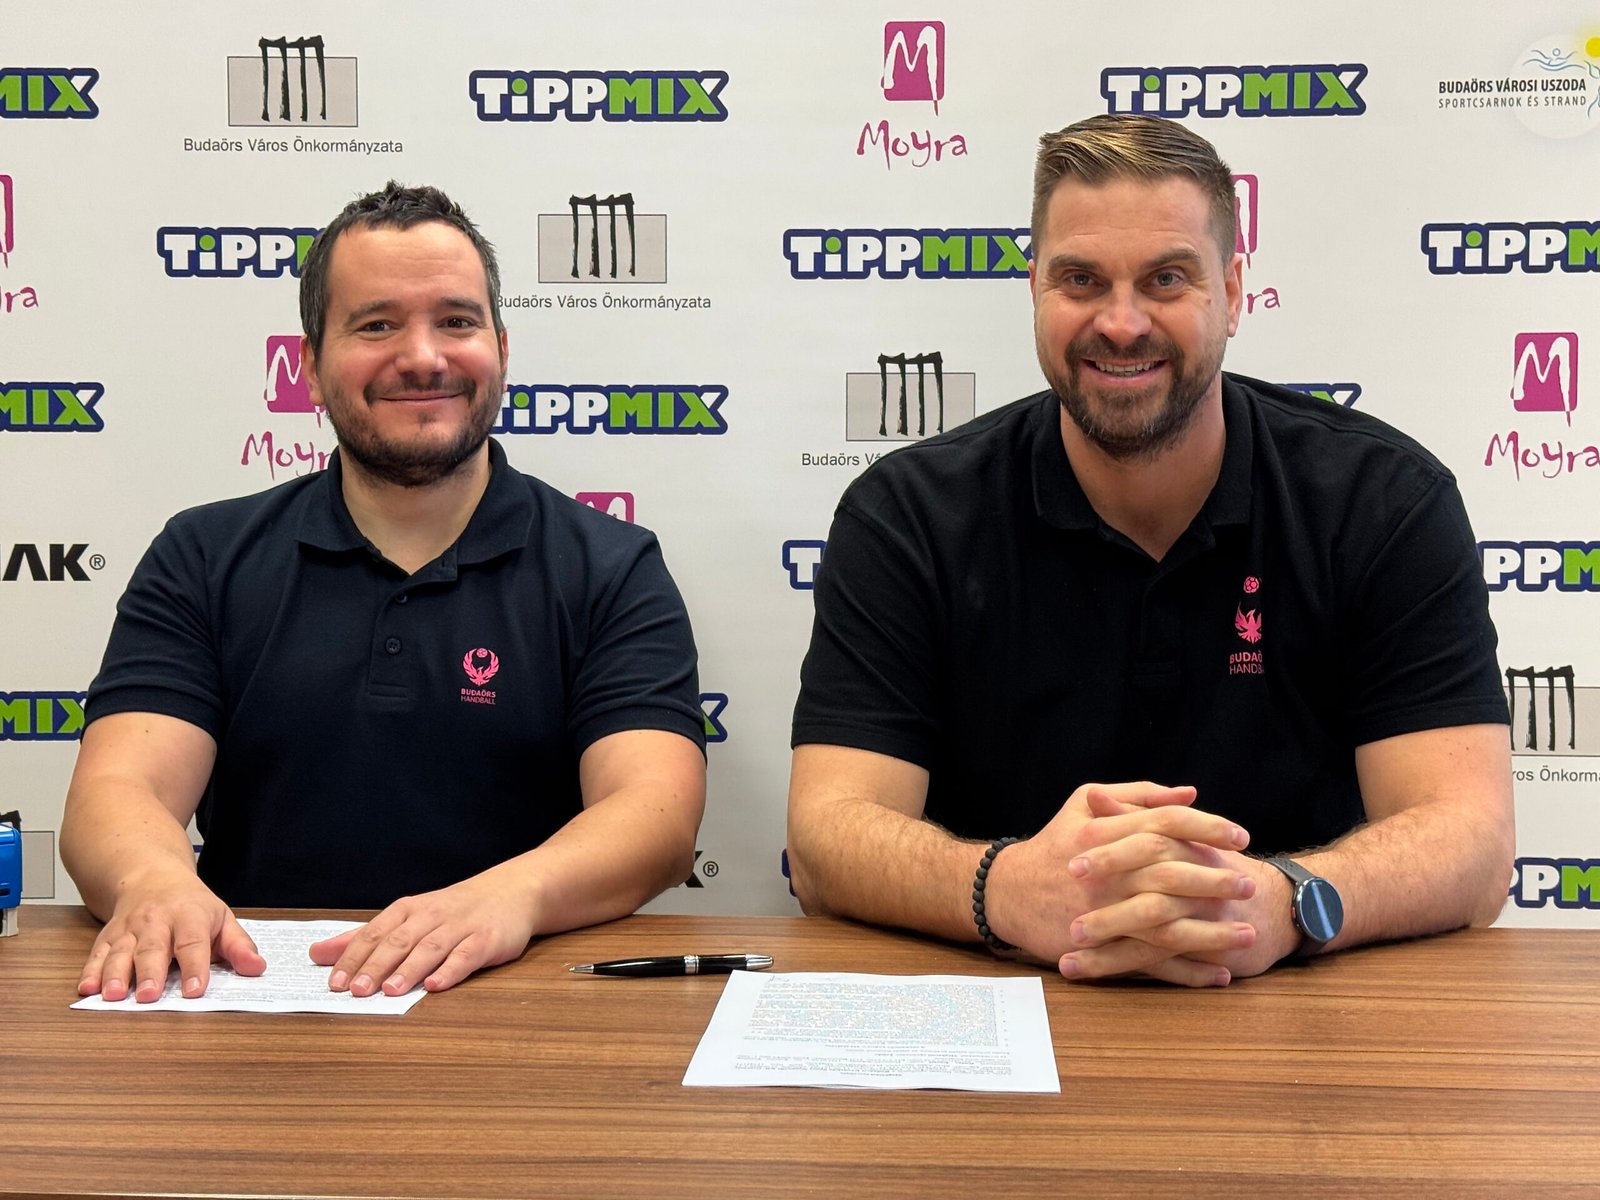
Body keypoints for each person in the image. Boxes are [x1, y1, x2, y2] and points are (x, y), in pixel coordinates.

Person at [786, 115, 1513, 986]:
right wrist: (1003, 888)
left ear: (1233, 291)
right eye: (1081, 280)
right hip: (997, 1011)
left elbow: (1473, 844)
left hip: (1303, 1017)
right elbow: (825, 839)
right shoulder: (907, 515)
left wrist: (1283, 901)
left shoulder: (1384, 502)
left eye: (1167, 279)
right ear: (1034, 288)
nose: (1122, 323)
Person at [62, 183, 706, 1003]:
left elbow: (656, 813)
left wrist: (511, 896)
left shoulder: (609, 566)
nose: (424, 357)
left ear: (502, 349)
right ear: (310, 365)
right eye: (376, 325)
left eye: (457, 321)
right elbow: (119, 791)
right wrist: (153, 882)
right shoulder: (204, 555)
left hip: (521, 1005)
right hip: (249, 1001)